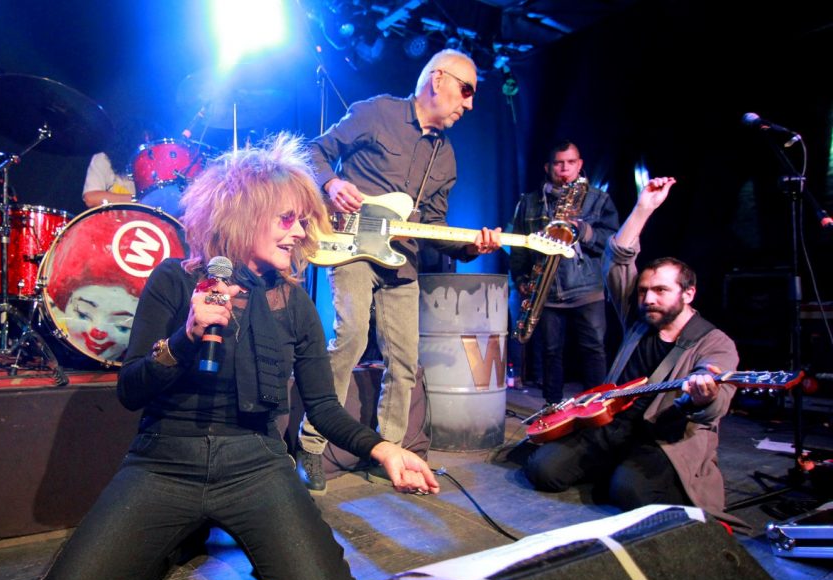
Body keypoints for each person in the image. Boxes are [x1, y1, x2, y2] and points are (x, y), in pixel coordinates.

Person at [27, 134, 441, 580]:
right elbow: (131, 389)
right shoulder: (174, 281)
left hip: (255, 465)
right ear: (243, 212)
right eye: (287, 219)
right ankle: (177, 532)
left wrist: (383, 449)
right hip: (164, 462)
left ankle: (208, 527)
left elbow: (323, 408)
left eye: (303, 222)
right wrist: (184, 340)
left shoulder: (295, 305)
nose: (300, 233)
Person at [296, 48, 501, 494]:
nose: (469, 104)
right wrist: (332, 183)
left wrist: (472, 245)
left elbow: (435, 226)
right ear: (438, 80)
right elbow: (313, 151)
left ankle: (388, 450)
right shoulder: (377, 113)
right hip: (351, 248)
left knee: (405, 359)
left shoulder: (446, 157)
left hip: (402, 259)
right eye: (466, 91)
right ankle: (310, 444)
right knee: (351, 338)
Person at [524, 177, 740, 521]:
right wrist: (643, 208)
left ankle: (624, 475)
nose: (648, 298)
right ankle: (611, 467)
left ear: (688, 294)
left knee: (629, 492)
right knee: (543, 470)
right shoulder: (639, 319)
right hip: (611, 424)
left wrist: (705, 395)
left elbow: (715, 403)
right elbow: (619, 259)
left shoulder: (714, 341)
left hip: (662, 439)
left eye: (660, 290)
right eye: (643, 291)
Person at [508, 140, 619, 405]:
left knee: (593, 349)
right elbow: (519, 246)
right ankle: (552, 408)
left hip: (587, 288)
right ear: (548, 167)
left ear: (580, 165)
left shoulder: (598, 199)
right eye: (558, 163)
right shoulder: (529, 202)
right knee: (550, 352)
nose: (565, 168)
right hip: (546, 288)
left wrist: (582, 230)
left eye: (571, 162)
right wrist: (521, 278)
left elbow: (613, 241)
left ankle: (596, 407)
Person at [81, 117, 153, 208]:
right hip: (113, 217)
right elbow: (91, 198)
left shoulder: (152, 168)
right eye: (143, 139)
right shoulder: (104, 159)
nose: (147, 144)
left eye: (150, 139)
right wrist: (139, 200)